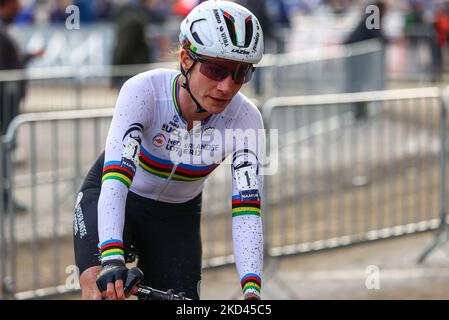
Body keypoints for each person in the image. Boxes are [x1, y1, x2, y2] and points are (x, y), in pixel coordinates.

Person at [74, 0, 265, 300]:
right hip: (117, 196)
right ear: (186, 60)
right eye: (217, 70)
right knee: (101, 290)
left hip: (177, 217)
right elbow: (116, 180)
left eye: (241, 74)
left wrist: (251, 291)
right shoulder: (144, 91)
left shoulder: (246, 119)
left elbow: (247, 212)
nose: (228, 87)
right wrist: (111, 258)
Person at [0, 0, 44, 213]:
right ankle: (5, 197)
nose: (19, 7)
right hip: (4, 106)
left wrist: (27, 57)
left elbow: (11, 63)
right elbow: (7, 69)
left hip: (8, 103)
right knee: (4, 152)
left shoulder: (5, 29)